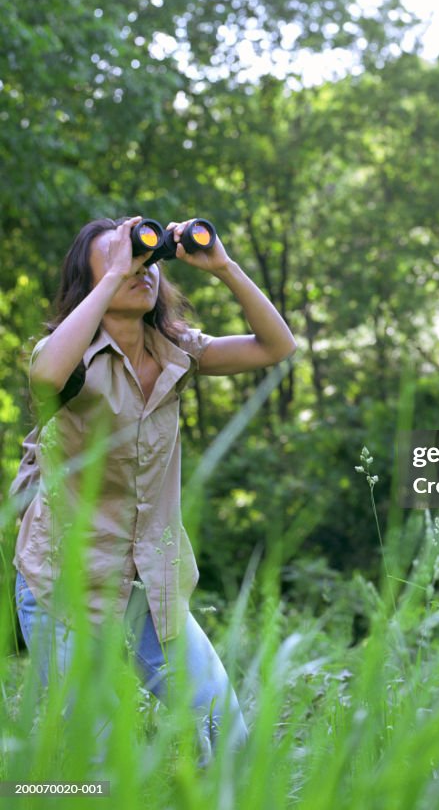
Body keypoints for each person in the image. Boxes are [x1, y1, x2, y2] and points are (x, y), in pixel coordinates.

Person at [10, 214, 296, 764]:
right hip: (64, 588)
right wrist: (116, 271)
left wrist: (224, 266)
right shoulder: (68, 357)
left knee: (226, 738)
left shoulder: (176, 350)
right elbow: (45, 376)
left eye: (146, 261)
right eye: (120, 257)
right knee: (84, 766)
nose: (141, 269)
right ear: (93, 281)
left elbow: (275, 346)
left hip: (150, 585)